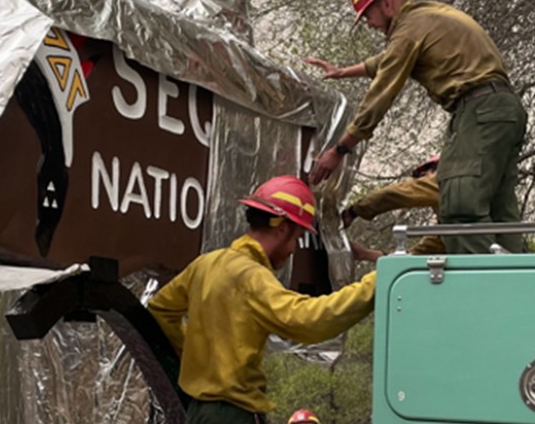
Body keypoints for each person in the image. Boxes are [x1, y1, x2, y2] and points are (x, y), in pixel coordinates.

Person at [305, 0, 527, 254]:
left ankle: (490, 291)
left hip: (478, 110)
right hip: (504, 110)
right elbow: (388, 60)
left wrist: (340, 149)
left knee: (459, 206)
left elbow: (381, 93)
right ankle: (521, 280)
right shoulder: (425, 17)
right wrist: (343, 71)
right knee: (500, 212)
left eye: (368, 16)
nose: (370, 24)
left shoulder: (409, 29)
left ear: (385, 2)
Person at [148, 175, 377, 424]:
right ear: (282, 228)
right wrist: (377, 282)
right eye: (297, 237)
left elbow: (160, 309)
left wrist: (192, 358)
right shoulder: (250, 277)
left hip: (197, 413)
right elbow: (308, 320)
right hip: (232, 416)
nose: (293, 250)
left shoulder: (206, 264)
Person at [343, 154, 445, 256]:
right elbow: (421, 252)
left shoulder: (441, 182)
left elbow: (393, 195)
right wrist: (366, 254)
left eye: (421, 177)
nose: (419, 181)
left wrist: (353, 212)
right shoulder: (449, 223)